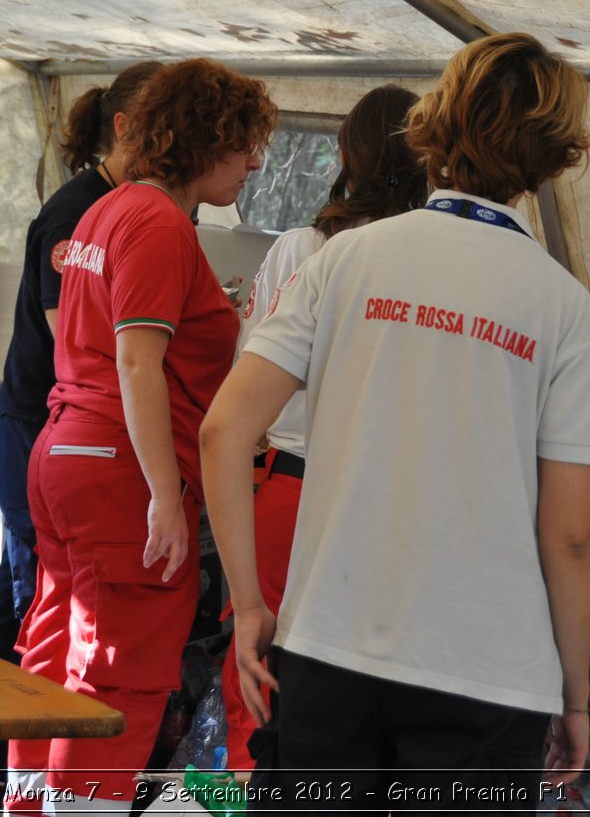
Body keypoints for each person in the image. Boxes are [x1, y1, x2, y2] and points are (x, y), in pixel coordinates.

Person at [200, 32, 590, 811]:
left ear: (438, 121)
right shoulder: (564, 307)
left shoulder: (343, 259)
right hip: (486, 676)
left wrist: (250, 601)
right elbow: (569, 533)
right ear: (555, 154)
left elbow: (224, 430)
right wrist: (576, 693)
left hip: (328, 649)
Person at [6, 59, 277, 815]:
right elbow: (136, 359)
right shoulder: (158, 221)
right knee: (118, 670)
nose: (254, 162)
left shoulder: (108, 208)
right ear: (204, 140)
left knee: (55, 654)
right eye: (246, 144)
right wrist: (165, 491)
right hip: (118, 467)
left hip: (64, 450)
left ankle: (29, 807)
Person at [219, 83, 426, 773]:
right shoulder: (432, 260)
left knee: (257, 673)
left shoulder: (305, 247)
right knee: (364, 691)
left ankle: (247, 791)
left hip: (292, 483)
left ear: (345, 153)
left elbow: (246, 389)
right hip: (388, 503)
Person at [0, 61, 162, 665]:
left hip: (63, 429)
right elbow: (75, 343)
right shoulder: (77, 210)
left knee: (16, 600)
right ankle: (15, 754)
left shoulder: (132, 205)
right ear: (127, 127)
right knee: (41, 601)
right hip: (36, 423)